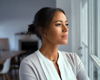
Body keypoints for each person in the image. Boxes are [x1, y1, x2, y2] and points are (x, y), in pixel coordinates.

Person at [19, 7, 90, 80]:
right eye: (58, 24)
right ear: (43, 31)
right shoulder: (28, 64)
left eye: (66, 24)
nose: (66, 29)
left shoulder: (74, 59)